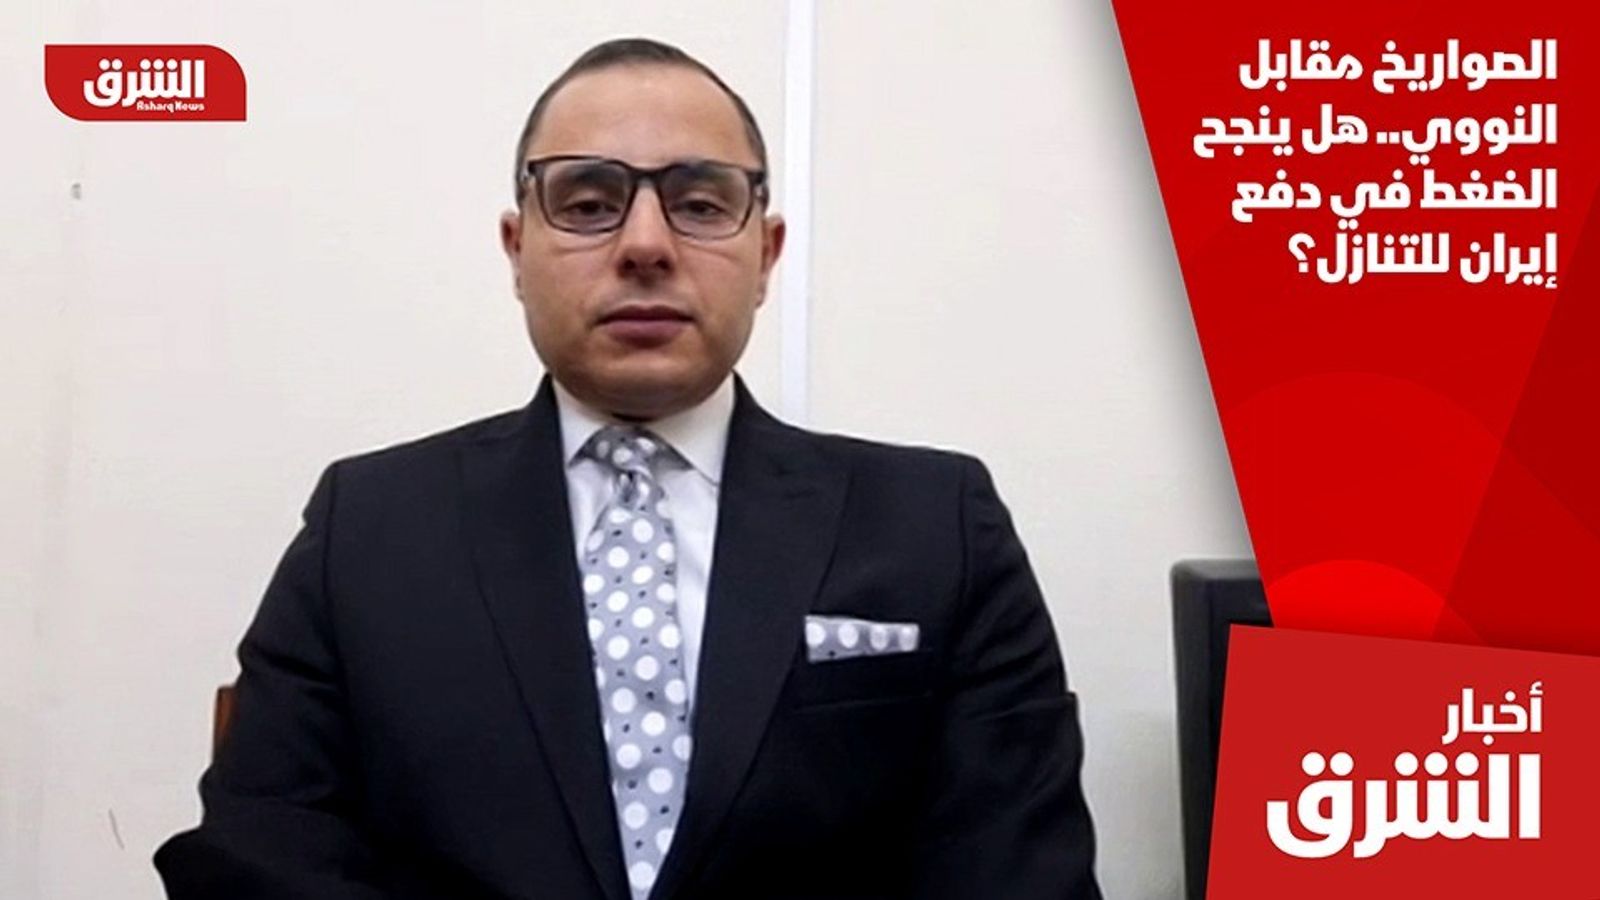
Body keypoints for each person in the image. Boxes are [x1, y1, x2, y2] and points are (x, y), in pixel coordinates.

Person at [155, 37, 1101, 900]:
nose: (646, 246)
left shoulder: (936, 525)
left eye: (700, 204)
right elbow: (260, 860)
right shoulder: (369, 529)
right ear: (517, 249)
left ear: (765, 254)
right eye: (587, 204)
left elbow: (1020, 872)